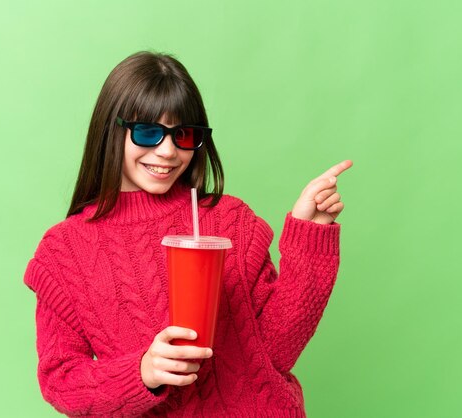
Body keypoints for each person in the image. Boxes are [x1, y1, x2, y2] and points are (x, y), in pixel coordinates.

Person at [23, 50, 352, 417]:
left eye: (182, 135)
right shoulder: (64, 252)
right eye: (147, 132)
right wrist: (143, 372)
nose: (166, 152)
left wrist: (312, 234)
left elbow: (277, 351)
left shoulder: (230, 221)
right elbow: (61, 381)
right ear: (111, 131)